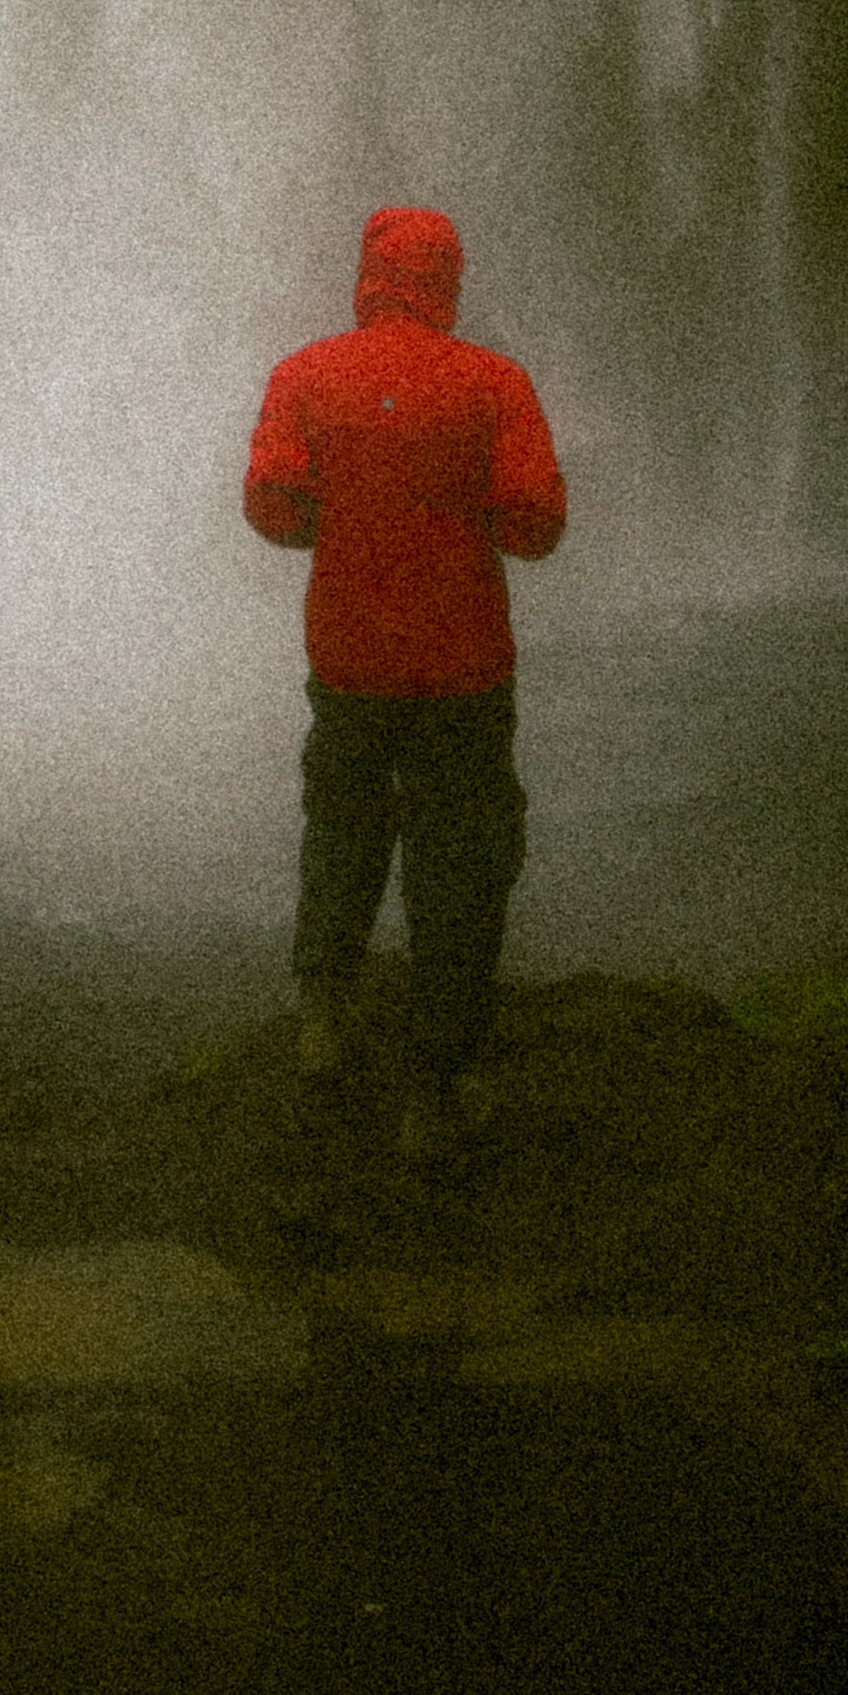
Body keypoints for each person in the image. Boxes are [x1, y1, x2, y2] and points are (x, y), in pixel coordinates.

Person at [242, 203, 565, 1158]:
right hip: (462, 669)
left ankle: (322, 1018)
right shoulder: (494, 382)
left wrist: (330, 532)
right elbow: (534, 522)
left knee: (341, 826)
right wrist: (469, 525)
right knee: (460, 858)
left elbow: (270, 500)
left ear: (368, 275)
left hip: (347, 662)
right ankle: (439, 1083)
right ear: (446, 281)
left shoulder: (304, 374)